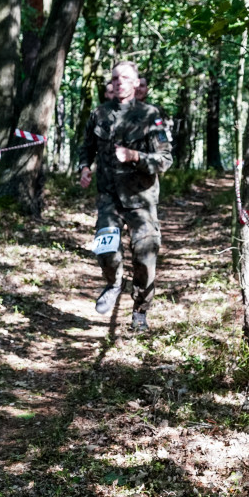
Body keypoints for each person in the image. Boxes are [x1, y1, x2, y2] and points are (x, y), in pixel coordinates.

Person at [79, 61, 172, 331]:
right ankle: (114, 282)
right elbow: (86, 147)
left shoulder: (150, 115)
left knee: (145, 254)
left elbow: (165, 160)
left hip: (141, 199)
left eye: (126, 78)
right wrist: (84, 168)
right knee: (106, 248)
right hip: (109, 197)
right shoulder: (100, 113)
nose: (120, 82)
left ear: (135, 83)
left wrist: (135, 157)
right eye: (116, 78)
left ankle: (141, 310)